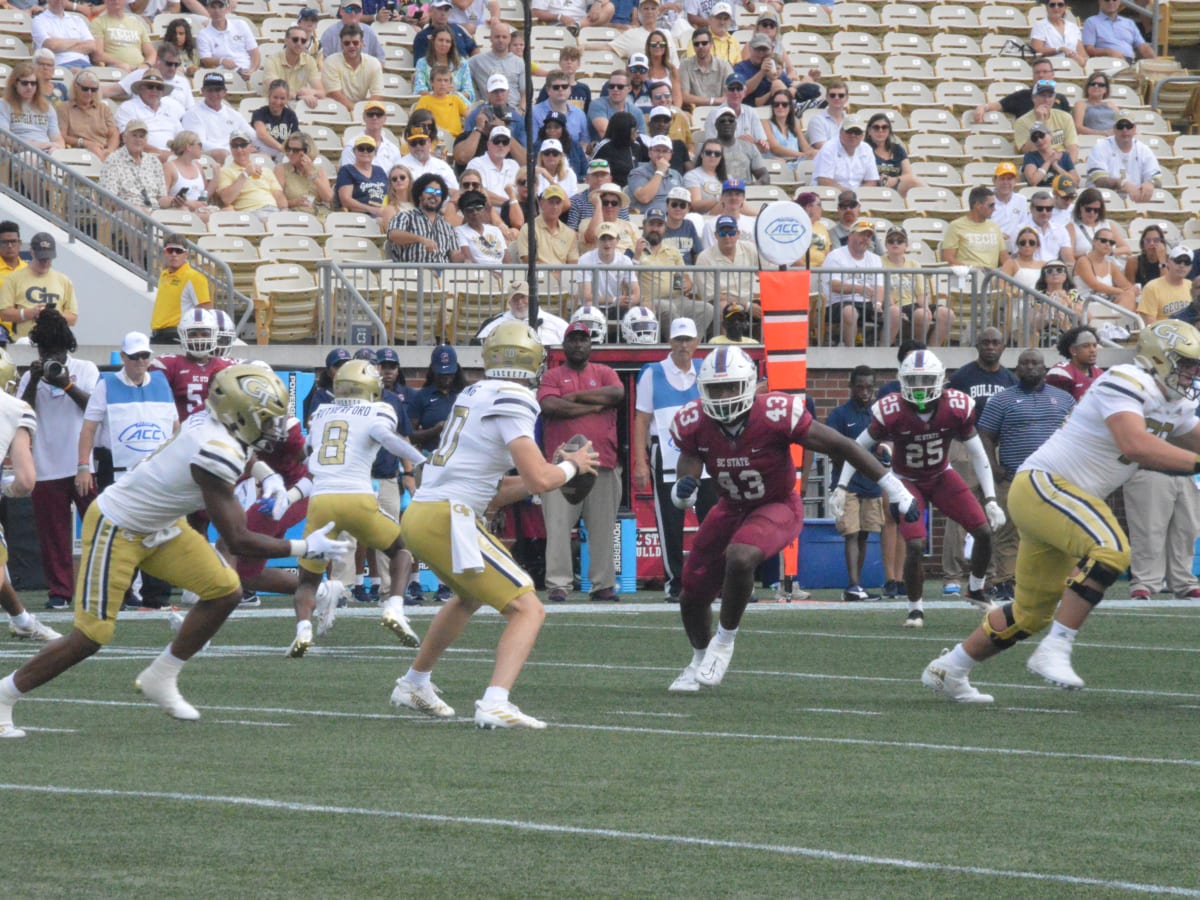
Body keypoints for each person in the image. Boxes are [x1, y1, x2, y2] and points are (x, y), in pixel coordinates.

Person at [0, 365, 354, 739]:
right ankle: (5, 694)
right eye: (266, 418)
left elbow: (240, 453)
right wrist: (303, 546)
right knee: (91, 636)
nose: (275, 427)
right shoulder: (214, 451)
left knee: (225, 589)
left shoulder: (210, 422)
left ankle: (162, 675)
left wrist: (267, 475)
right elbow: (238, 540)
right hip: (118, 526)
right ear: (238, 415)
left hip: (161, 525)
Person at [922, 321, 1200, 704]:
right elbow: (1134, 444)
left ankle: (950, 668)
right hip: (1045, 484)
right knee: (1112, 549)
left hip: (1064, 502)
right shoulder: (1128, 379)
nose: (1193, 371)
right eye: (1186, 363)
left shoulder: (1175, 401)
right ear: (1159, 357)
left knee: (1030, 613)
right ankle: (1056, 648)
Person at [669, 347, 917, 690]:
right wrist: (687, 486)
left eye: (730, 387)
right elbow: (691, 457)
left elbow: (843, 446)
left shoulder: (775, 412)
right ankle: (698, 659)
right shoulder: (694, 420)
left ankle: (724, 641)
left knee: (741, 557)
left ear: (750, 385)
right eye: (716, 389)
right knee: (691, 591)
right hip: (730, 506)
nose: (723, 397)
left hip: (777, 503)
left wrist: (897, 488)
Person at [391, 322, 600, 729]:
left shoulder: (474, 393)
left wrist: (556, 467)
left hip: (424, 513)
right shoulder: (514, 398)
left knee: (468, 597)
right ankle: (495, 701)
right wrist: (571, 467)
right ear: (534, 365)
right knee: (529, 609)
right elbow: (541, 481)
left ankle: (414, 682)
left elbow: (496, 491)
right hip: (447, 517)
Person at [832, 349, 1007, 627]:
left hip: (941, 476)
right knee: (915, 544)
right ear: (902, 381)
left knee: (984, 531)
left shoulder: (956, 406)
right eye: (913, 381)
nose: (921, 388)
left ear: (939, 380)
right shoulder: (893, 410)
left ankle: (976, 589)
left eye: (926, 380)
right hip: (906, 482)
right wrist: (841, 485)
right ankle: (915, 609)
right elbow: (856, 448)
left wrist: (990, 499)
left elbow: (978, 454)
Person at [296, 360, 427, 656]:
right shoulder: (378, 410)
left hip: (321, 499)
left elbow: (305, 453)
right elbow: (388, 439)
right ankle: (394, 606)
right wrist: (422, 462)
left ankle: (303, 629)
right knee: (402, 548)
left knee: (308, 578)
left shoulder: (321, 413)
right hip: (357, 496)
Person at [14, 308, 98, 611]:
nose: (52, 357)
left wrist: (66, 384)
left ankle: (100, 588)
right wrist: (36, 380)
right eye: (45, 351)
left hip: (83, 466)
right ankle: (60, 592)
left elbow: (94, 407)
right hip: (47, 467)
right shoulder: (29, 376)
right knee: (53, 537)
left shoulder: (86, 368)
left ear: (67, 347)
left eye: (56, 351)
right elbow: (21, 414)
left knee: (99, 530)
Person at [976, 349, 1075, 604]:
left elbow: (1076, 434)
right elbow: (984, 434)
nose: (1030, 368)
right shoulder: (1001, 400)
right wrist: (994, 467)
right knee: (1008, 531)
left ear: (1045, 369)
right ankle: (1005, 582)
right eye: (1024, 364)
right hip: (1014, 477)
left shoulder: (1064, 399)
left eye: (1035, 363)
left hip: (1054, 479)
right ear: (1017, 370)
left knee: (1055, 531)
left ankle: (1053, 581)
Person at [537, 321, 624, 602]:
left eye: (582, 340)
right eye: (572, 340)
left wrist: (574, 397)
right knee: (558, 526)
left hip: (602, 461)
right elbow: (550, 405)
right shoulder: (552, 375)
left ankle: (602, 584)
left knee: (602, 526)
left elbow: (616, 394)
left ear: (590, 344)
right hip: (561, 463)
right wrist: (592, 405)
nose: (578, 344)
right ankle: (559, 584)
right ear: (564, 345)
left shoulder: (605, 372)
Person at [633, 317, 719, 601]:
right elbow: (642, 420)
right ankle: (677, 583)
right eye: (679, 340)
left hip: (704, 457)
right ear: (670, 342)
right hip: (666, 455)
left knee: (713, 520)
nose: (684, 346)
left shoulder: (704, 370)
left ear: (697, 343)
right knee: (670, 521)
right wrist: (640, 461)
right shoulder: (652, 373)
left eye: (688, 340)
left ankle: (713, 580)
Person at [941, 327, 1017, 597]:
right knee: (959, 511)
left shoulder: (1010, 378)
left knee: (995, 511)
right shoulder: (963, 376)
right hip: (964, 445)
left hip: (994, 448)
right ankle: (952, 574)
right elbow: (946, 407)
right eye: (985, 342)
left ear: (1004, 346)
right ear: (977, 345)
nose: (990, 347)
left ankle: (991, 572)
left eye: (995, 342)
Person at [0, 348, 58, 643]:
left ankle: (21, 619)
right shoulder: (15, 408)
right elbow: (25, 481)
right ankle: (22, 620)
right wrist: (6, 488)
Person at [825, 366, 887, 602]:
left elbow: (885, 445)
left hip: (871, 483)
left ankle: (857, 584)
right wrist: (861, 461)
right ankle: (852, 585)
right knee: (850, 533)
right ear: (851, 387)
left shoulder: (878, 415)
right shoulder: (839, 415)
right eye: (859, 387)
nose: (864, 392)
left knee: (863, 534)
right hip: (847, 484)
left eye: (869, 387)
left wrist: (883, 455)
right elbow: (833, 450)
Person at [821, 218, 897, 348]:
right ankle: (851, 352)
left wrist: (878, 304)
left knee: (894, 311)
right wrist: (858, 289)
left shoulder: (875, 259)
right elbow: (834, 285)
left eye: (869, 236)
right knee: (850, 311)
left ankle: (884, 350)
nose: (866, 239)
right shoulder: (835, 255)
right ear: (850, 236)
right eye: (862, 234)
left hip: (866, 303)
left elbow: (879, 286)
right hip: (838, 303)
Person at [152, 308, 235, 421]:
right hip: (183, 431)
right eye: (193, 334)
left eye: (204, 334)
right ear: (182, 335)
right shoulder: (169, 365)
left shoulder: (226, 366)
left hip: (215, 432)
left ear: (214, 335)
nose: (199, 339)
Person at [0, 233, 79, 340]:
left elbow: (73, 318)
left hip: (56, 342)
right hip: (25, 341)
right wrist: (29, 313)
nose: (45, 263)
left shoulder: (64, 280)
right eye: (41, 259)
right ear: (31, 252)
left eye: (48, 259)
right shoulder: (14, 278)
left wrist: (53, 316)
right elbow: (4, 314)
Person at [387, 172, 465, 264]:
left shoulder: (447, 227)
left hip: (442, 275)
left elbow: (455, 257)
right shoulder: (405, 217)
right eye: (430, 191)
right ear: (419, 195)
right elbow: (393, 235)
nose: (434, 195)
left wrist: (468, 252)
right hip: (413, 274)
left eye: (438, 192)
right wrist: (421, 239)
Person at [214, 129, 288, 223]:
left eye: (243, 145)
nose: (239, 150)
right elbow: (227, 199)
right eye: (235, 146)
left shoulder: (266, 170)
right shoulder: (225, 171)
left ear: (251, 147)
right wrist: (245, 174)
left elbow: (278, 195)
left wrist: (284, 210)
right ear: (231, 148)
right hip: (250, 214)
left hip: (273, 211)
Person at [150, 233, 212, 342]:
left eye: (178, 251)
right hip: (158, 334)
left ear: (186, 254)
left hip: (177, 334)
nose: (174, 254)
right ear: (165, 252)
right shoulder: (164, 275)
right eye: (170, 250)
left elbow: (205, 308)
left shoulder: (194, 277)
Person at [1084, 117, 1162, 203]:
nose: (1125, 130)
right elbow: (1099, 180)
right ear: (1114, 129)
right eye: (1120, 126)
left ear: (1134, 129)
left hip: (1135, 200)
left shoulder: (1143, 149)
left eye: (1128, 126)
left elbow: (1157, 178)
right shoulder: (1101, 147)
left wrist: (1151, 183)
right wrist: (1122, 183)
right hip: (1103, 201)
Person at [972, 57, 1071, 124]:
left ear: (1053, 75)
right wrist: (983, 107)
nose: (1041, 75)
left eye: (1045, 72)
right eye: (1037, 72)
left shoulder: (1061, 99)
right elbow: (999, 105)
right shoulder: (1022, 96)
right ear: (1033, 76)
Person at [100, 118, 167, 213]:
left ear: (146, 140)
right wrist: (138, 209)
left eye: (141, 136)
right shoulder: (113, 160)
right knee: (138, 212)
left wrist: (174, 202)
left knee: (183, 211)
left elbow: (161, 198)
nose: (138, 140)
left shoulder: (154, 161)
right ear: (124, 138)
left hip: (154, 211)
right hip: (126, 213)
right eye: (134, 135)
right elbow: (108, 198)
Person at [475, 279, 568, 346]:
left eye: (523, 297)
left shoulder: (557, 324)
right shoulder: (494, 324)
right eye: (515, 299)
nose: (519, 302)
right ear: (509, 302)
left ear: (533, 298)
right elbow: (477, 347)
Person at [0, 63, 65, 153]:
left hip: (47, 152)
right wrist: (35, 146)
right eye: (25, 83)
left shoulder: (47, 108)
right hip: (20, 154)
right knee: (32, 159)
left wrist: (57, 147)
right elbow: (4, 138)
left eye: (33, 83)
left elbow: (57, 138)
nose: (29, 87)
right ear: (15, 83)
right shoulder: (3, 104)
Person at [941, 186, 1010, 271]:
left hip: (991, 277)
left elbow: (1005, 258)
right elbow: (948, 259)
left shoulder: (994, 227)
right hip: (967, 277)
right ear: (977, 205)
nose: (994, 209)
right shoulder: (956, 226)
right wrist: (971, 269)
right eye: (991, 205)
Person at [181, 73, 243, 164]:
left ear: (224, 91)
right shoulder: (192, 113)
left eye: (218, 90)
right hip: (205, 155)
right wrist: (233, 150)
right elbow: (199, 143)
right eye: (210, 90)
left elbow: (252, 136)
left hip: (232, 152)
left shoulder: (234, 114)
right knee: (221, 154)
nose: (214, 94)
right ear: (203, 91)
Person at [323, 23, 385, 111]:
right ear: (341, 44)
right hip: (336, 109)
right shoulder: (331, 62)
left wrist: (365, 112)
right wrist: (357, 112)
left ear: (362, 43)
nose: (351, 46)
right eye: (347, 43)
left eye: (355, 43)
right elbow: (334, 94)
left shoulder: (374, 63)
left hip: (363, 111)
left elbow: (378, 95)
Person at [1073, 226, 1136, 312]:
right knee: (1126, 295)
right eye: (1103, 241)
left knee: (1129, 295)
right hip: (1086, 304)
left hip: (1106, 303)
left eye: (1111, 242)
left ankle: (1119, 323)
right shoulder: (1083, 261)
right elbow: (1095, 285)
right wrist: (1120, 291)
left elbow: (1126, 286)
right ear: (1094, 242)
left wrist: (1132, 290)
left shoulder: (1110, 264)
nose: (1107, 244)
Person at [196, 0, 260, 85]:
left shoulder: (241, 24)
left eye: (220, 6)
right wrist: (221, 61)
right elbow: (205, 60)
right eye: (213, 7)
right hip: (223, 74)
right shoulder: (203, 34)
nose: (217, 11)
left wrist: (252, 70)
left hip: (247, 69)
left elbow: (255, 52)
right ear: (207, 9)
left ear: (227, 8)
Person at [811, 115, 879, 192]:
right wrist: (849, 195)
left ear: (863, 135)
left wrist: (857, 195)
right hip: (830, 194)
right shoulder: (828, 148)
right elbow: (824, 181)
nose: (853, 135)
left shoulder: (867, 149)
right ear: (840, 132)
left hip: (858, 196)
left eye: (857, 132)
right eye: (849, 131)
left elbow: (872, 181)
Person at [264, 25, 325, 108]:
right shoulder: (272, 60)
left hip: (299, 106)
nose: (299, 43)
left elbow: (321, 93)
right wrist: (298, 97)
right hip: (275, 106)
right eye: (295, 39)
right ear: (286, 40)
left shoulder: (310, 61)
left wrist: (311, 92)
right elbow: (275, 90)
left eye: (303, 41)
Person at [276, 131, 334, 218]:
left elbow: (328, 197)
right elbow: (275, 199)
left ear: (307, 152)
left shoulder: (318, 170)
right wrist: (294, 202)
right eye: (288, 148)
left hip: (318, 214)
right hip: (293, 214)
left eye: (295, 150)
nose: (290, 153)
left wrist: (312, 174)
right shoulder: (281, 169)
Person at [89, 0, 155, 73]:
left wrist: (146, 65)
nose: (116, 1)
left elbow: (151, 52)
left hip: (141, 70)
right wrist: (118, 63)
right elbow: (97, 55)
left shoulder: (136, 23)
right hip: (115, 69)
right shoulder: (98, 22)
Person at [414, 24, 475, 103]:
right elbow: (419, 90)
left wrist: (455, 94)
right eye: (440, 40)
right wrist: (441, 92)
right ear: (433, 41)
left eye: (448, 41)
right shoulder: (422, 63)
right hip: (432, 104)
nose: (444, 44)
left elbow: (469, 92)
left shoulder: (462, 63)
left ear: (451, 44)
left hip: (457, 104)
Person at [1082, 0, 1157, 62]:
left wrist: (1155, 61)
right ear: (1100, 1)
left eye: (1114, 0)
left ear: (1119, 2)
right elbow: (1089, 50)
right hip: (1106, 62)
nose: (1111, 2)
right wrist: (1108, 52)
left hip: (1129, 62)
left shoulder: (1129, 23)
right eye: (1106, 0)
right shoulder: (1091, 22)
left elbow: (1143, 47)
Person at [1137, 245, 1195, 324]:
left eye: (1187, 262)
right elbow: (1150, 323)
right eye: (1178, 261)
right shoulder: (1152, 287)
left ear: (1191, 266)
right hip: (1162, 333)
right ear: (1168, 262)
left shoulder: (1193, 286)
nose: (1182, 265)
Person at [468, 20, 523, 103]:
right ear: (490, 38)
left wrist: (521, 110)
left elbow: (525, 93)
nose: (501, 40)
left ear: (509, 39)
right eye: (497, 37)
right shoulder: (476, 61)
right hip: (489, 111)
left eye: (504, 37)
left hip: (514, 110)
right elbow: (459, 73)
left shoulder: (519, 62)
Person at [336, 134, 388, 220]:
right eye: (361, 148)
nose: (365, 152)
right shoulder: (347, 170)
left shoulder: (380, 171)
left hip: (382, 214)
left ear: (375, 153)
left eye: (369, 149)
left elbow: (388, 195)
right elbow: (345, 200)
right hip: (359, 216)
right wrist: (372, 210)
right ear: (354, 151)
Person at [32, 0, 95, 71]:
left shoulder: (77, 20)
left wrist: (59, 46)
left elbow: (91, 46)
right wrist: (77, 41)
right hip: (60, 66)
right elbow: (51, 45)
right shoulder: (39, 20)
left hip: (86, 65)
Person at [1045, 324, 1103, 400]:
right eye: (1086, 346)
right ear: (1073, 350)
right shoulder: (1061, 374)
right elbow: (1057, 406)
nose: (1092, 350)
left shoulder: (1099, 373)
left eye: (1094, 345)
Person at [321, 0, 387, 61]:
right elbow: (322, 61)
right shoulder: (329, 34)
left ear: (361, 12)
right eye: (349, 9)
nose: (353, 13)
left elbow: (380, 58)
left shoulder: (369, 32)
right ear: (341, 11)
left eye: (357, 10)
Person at [412, 0, 477, 61]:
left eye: (446, 10)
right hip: (436, 71)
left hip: (462, 70)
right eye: (439, 9)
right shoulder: (422, 36)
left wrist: (470, 67)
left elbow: (474, 48)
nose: (443, 13)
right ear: (430, 11)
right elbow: (420, 64)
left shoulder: (457, 29)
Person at [1031, 0, 1087, 66]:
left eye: (1060, 5)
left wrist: (1077, 58)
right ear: (1047, 8)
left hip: (1073, 66)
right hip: (1051, 65)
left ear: (1065, 8)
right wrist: (1059, 49)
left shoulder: (1073, 27)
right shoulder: (1039, 25)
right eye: (1052, 5)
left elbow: (1082, 53)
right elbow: (1037, 49)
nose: (1056, 7)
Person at [1022, 121, 1075, 188]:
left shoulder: (1065, 156)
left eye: (1041, 135)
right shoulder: (1030, 157)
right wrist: (1049, 161)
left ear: (1050, 135)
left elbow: (1075, 182)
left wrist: (1056, 167)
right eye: (1034, 138)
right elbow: (1033, 181)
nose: (1039, 140)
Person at [991, 162, 1029, 246]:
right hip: (992, 245)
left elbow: (1023, 224)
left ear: (1015, 181)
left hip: (1015, 247)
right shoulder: (987, 200)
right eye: (1002, 178)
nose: (1006, 182)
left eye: (1009, 179)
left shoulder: (1021, 200)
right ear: (994, 181)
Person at [1073, 72, 1120, 137]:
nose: (1096, 86)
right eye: (1092, 84)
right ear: (1087, 87)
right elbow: (1078, 128)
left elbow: (1122, 121)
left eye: (1101, 85)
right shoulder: (1081, 104)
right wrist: (1103, 133)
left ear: (1105, 89)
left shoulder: (1111, 104)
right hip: (1094, 138)